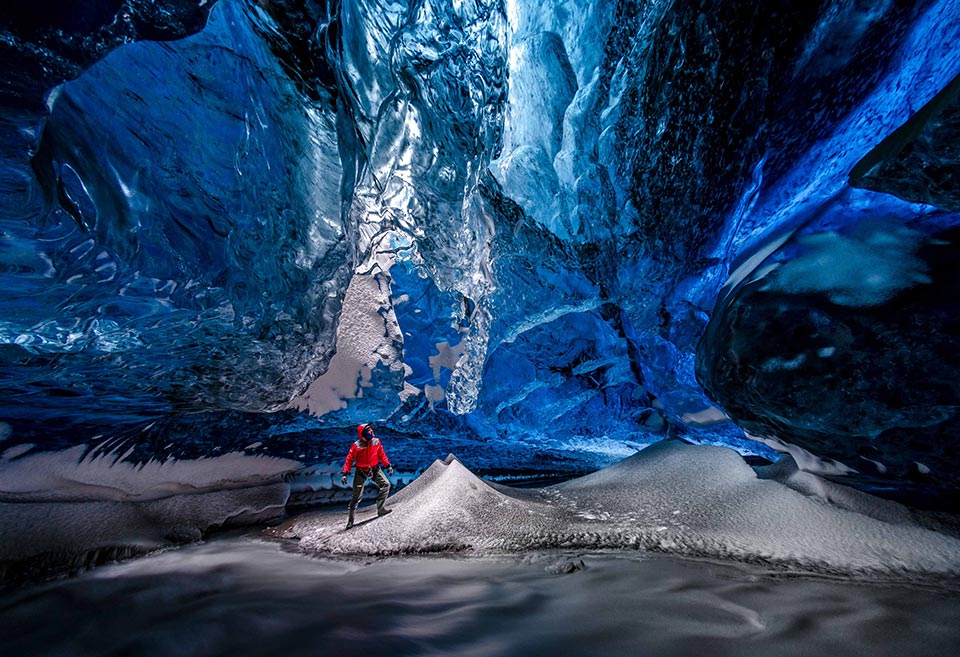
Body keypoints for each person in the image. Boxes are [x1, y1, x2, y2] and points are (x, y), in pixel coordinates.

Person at [341, 423, 394, 529]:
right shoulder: (356, 445)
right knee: (356, 497)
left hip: (374, 469)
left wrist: (388, 466)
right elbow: (349, 459)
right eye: (368, 430)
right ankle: (350, 521)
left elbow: (381, 454)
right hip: (361, 471)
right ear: (363, 433)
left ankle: (380, 509)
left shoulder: (376, 441)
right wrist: (345, 473)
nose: (371, 431)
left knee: (386, 485)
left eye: (371, 429)